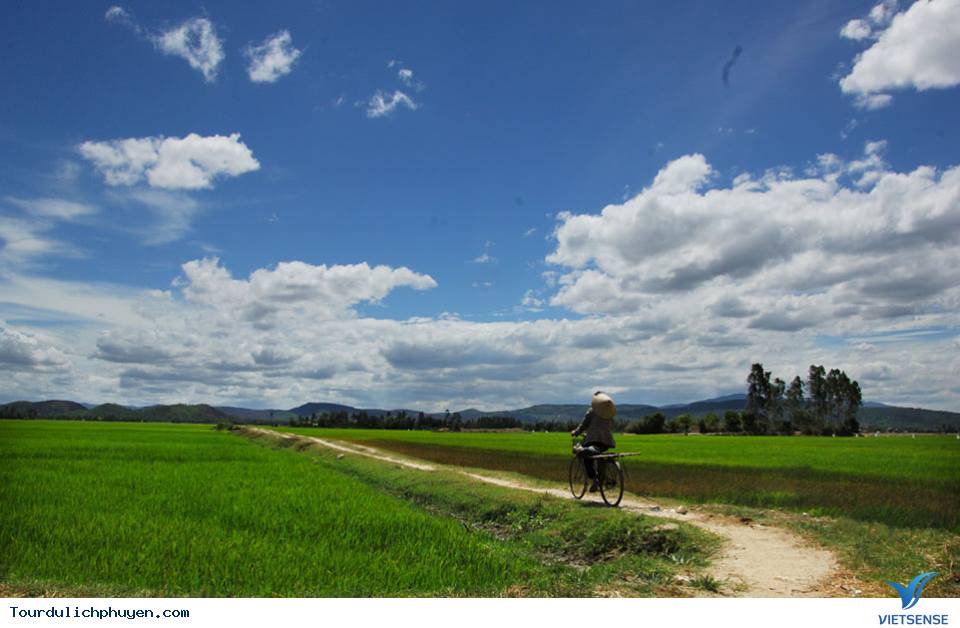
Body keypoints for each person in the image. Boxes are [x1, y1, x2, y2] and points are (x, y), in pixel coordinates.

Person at [571, 391, 617, 492]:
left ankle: (594, 479)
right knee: (599, 456)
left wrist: (576, 432)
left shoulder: (592, 411)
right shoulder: (609, 413)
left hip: (593, 440)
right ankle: (602, 477)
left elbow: (583, 425)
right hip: (607, 442)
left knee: (587, 458)